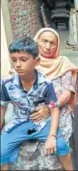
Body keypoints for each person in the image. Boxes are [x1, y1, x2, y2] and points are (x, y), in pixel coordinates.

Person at [0, 37, 73, 170]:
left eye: (23, 60)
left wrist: (52, 136)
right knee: (1, 151)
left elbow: (54, 108)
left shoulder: (45, 83)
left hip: (42, 123)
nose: (17, 64)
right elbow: (2, 107)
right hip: (18, 123)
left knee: (61, 145)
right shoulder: (7, 84)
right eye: (14, 60)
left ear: (36, 61)